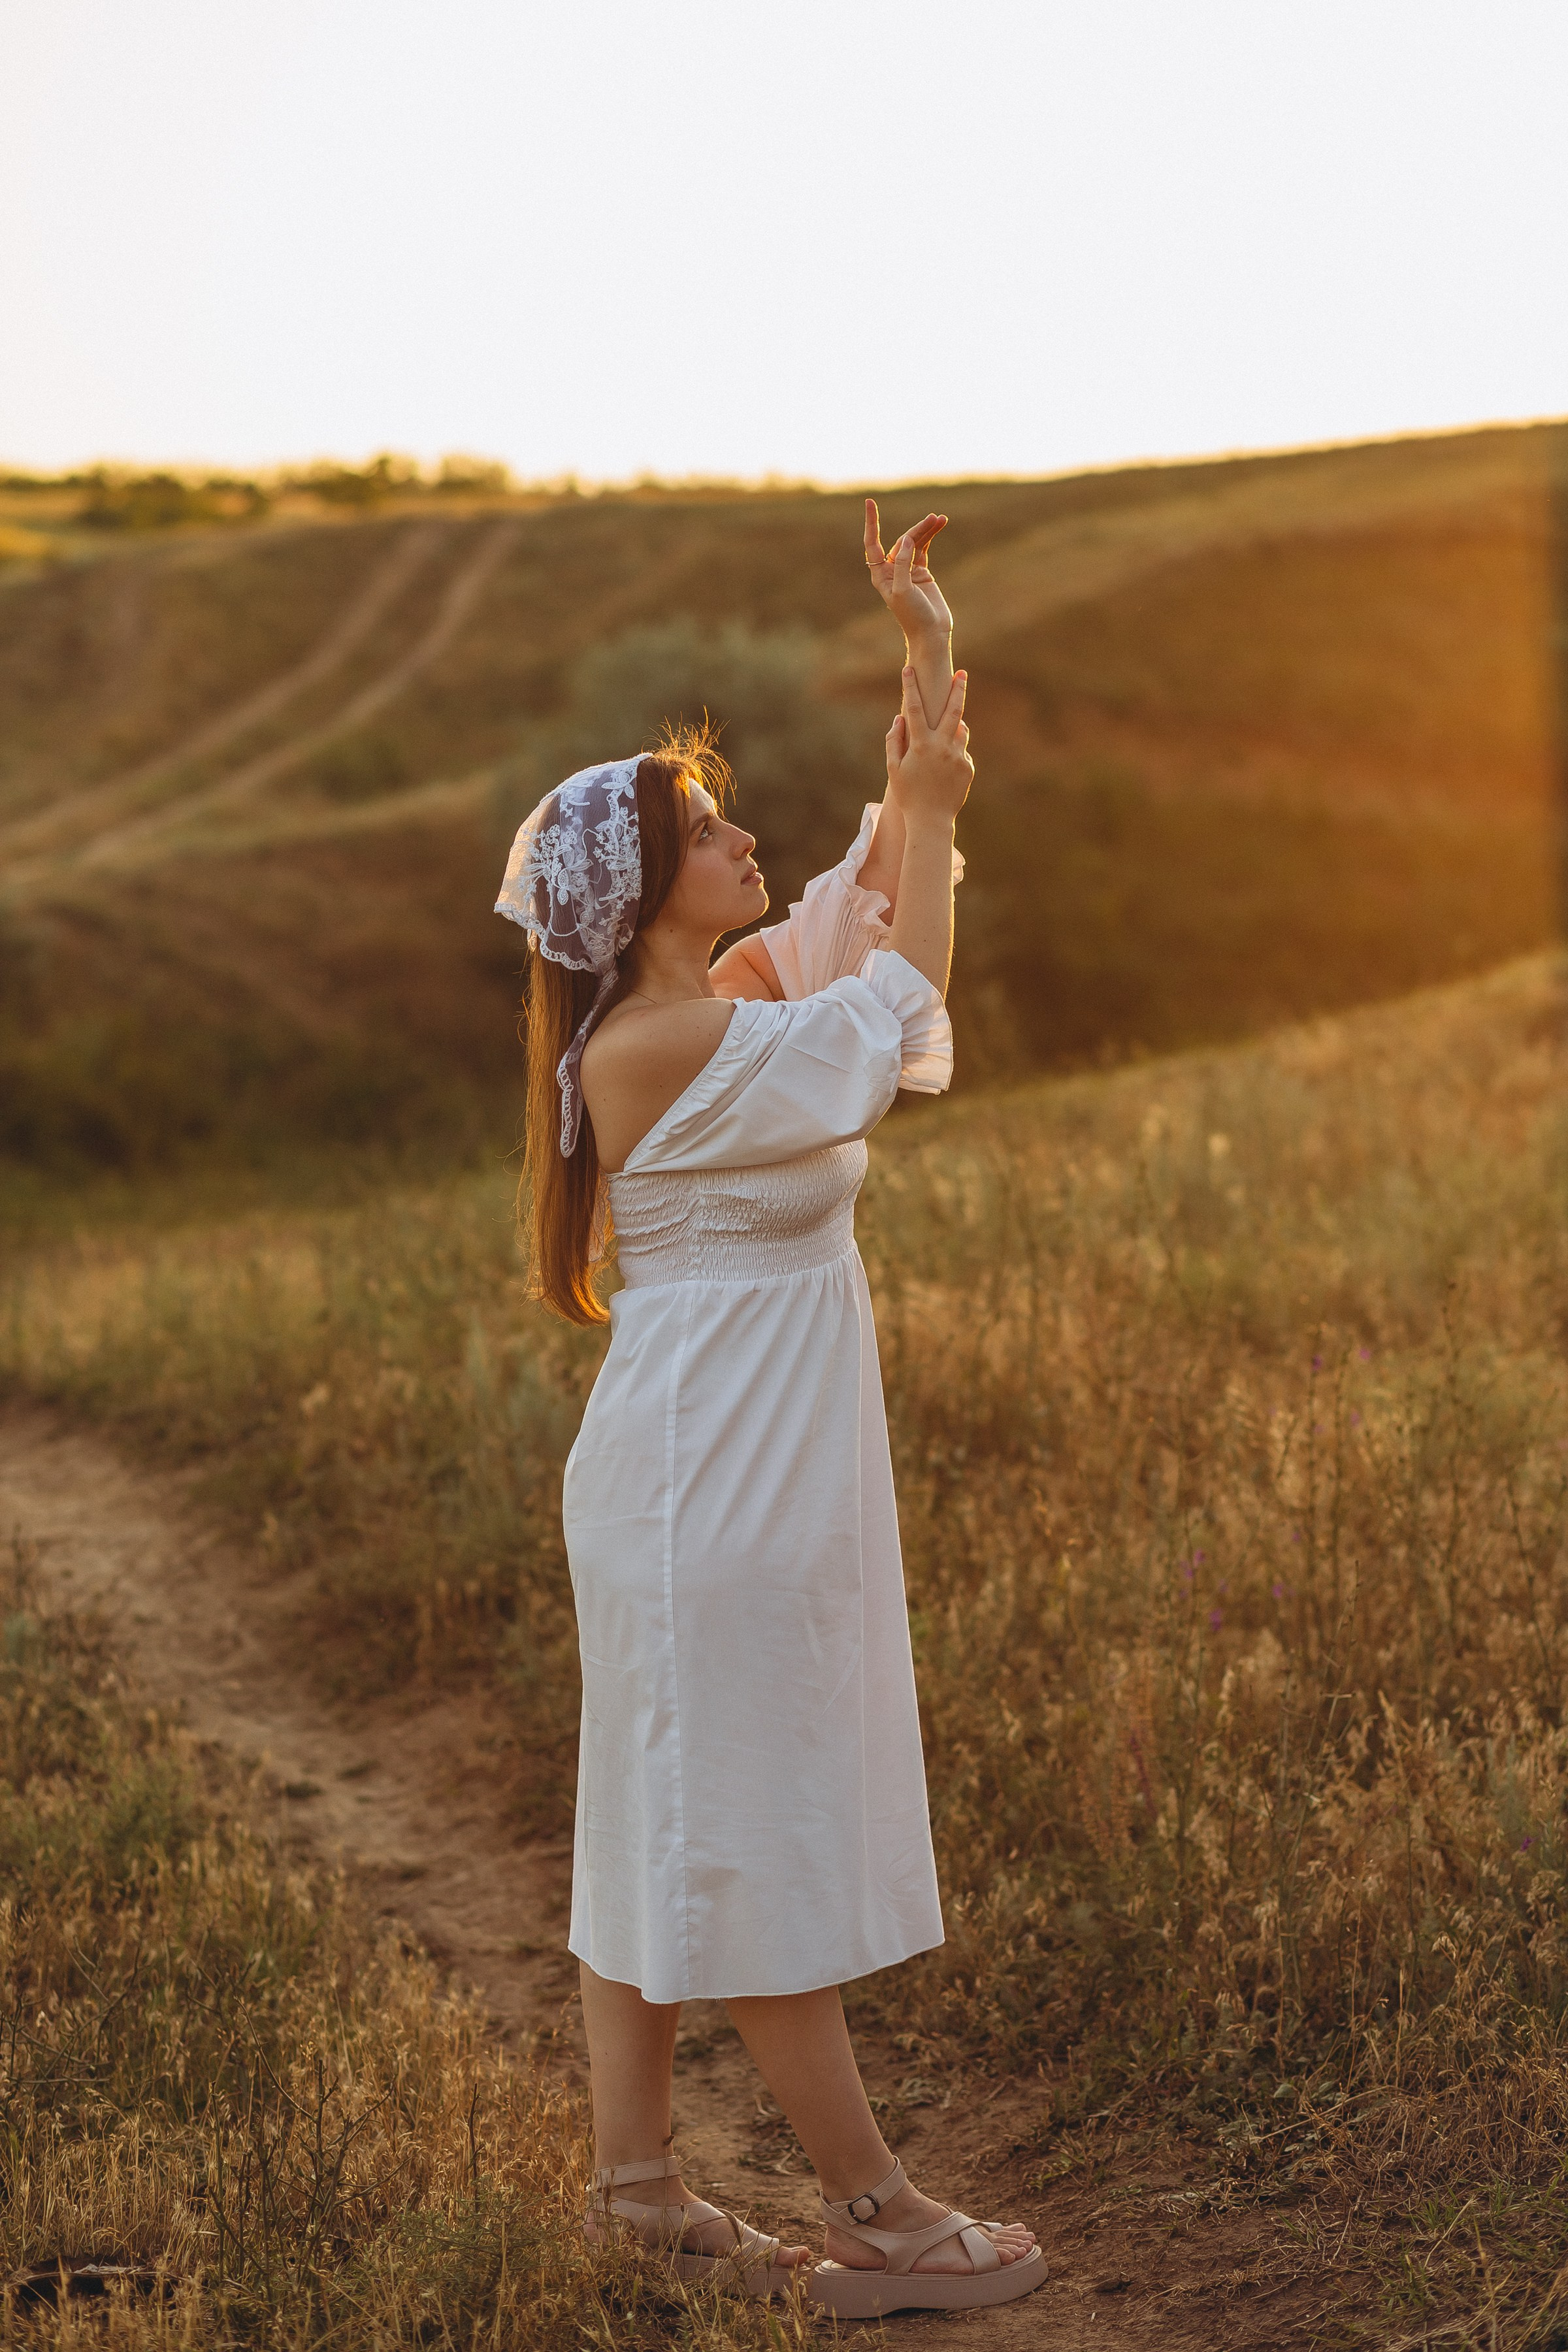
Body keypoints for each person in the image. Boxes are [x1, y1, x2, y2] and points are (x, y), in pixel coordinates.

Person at [494, 506, 1046, 2319]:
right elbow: (896, 1007)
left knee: (666, 1819)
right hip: (703, 1486)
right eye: (710, 828)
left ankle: (640, 2194)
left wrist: (926, 659)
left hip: (718, 1467)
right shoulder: (653, 1049)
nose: (749, 837)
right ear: (645, 891)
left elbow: (865, 908)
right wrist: (940, 817)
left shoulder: (712, 1000)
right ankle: (878, 2221)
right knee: (736, 1826)